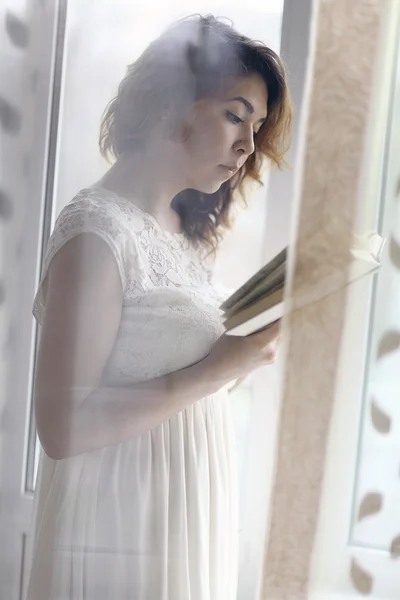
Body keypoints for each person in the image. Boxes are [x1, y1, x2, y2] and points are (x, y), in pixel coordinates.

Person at [26, 14, 291, 600]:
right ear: (174, 100)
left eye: (258, 126)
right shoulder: (98, 233)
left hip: (182, 517)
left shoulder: (180, 229)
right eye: (234, 116)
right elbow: (60, 427)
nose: (248, 146)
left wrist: (240, 358)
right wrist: (219, 368)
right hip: (117, 526)